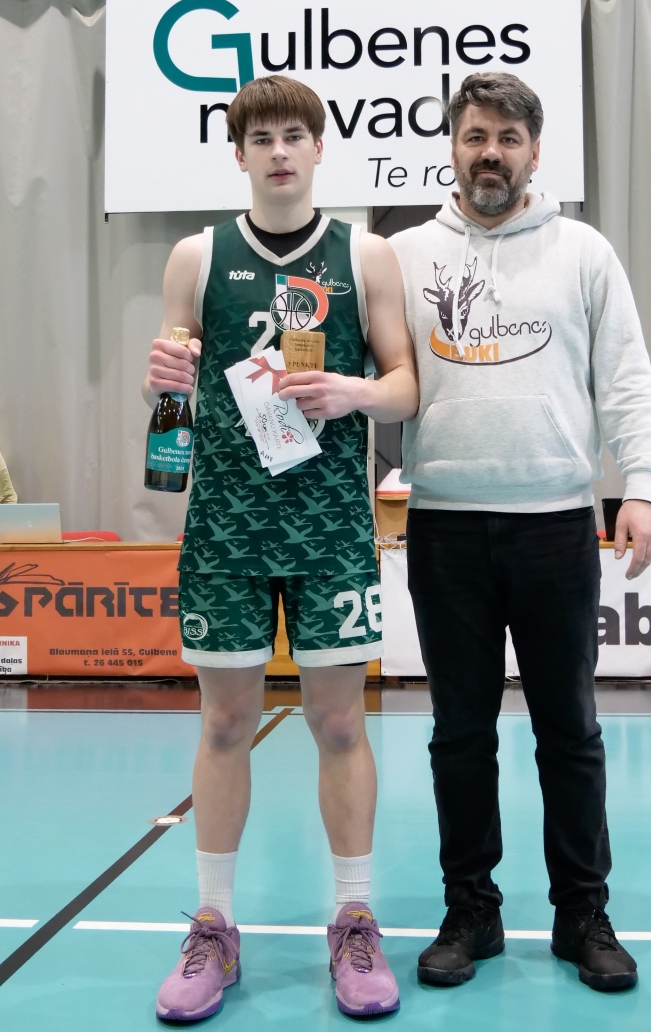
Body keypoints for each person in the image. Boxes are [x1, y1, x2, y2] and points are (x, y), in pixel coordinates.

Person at [142, 75, 417, 1022]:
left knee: (338, 725)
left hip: (331, 528)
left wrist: (354, 392)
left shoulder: (365, 254)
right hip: (225, 529)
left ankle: (354, 918)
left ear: (319, 147)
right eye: (262, 138)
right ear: (240, 154)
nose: (280, 151)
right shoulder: (197, 256)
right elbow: (172, 391)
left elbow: (406, 383)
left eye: (295, 135)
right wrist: (159, 380)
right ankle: (214, 926)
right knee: (224, 724)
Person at [389, 72, 651, 994]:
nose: (491, 153)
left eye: (508, 138)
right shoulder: (405, 256)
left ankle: (582, 912)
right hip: (444, 528)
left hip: (555, 525)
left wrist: (641, 486)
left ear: (535, 152)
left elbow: (626, 376)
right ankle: (471, 909)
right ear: (452, 148)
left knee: (569, 733)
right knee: (459, 735)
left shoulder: (584, 252)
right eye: (476, 136)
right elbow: (370, 379)